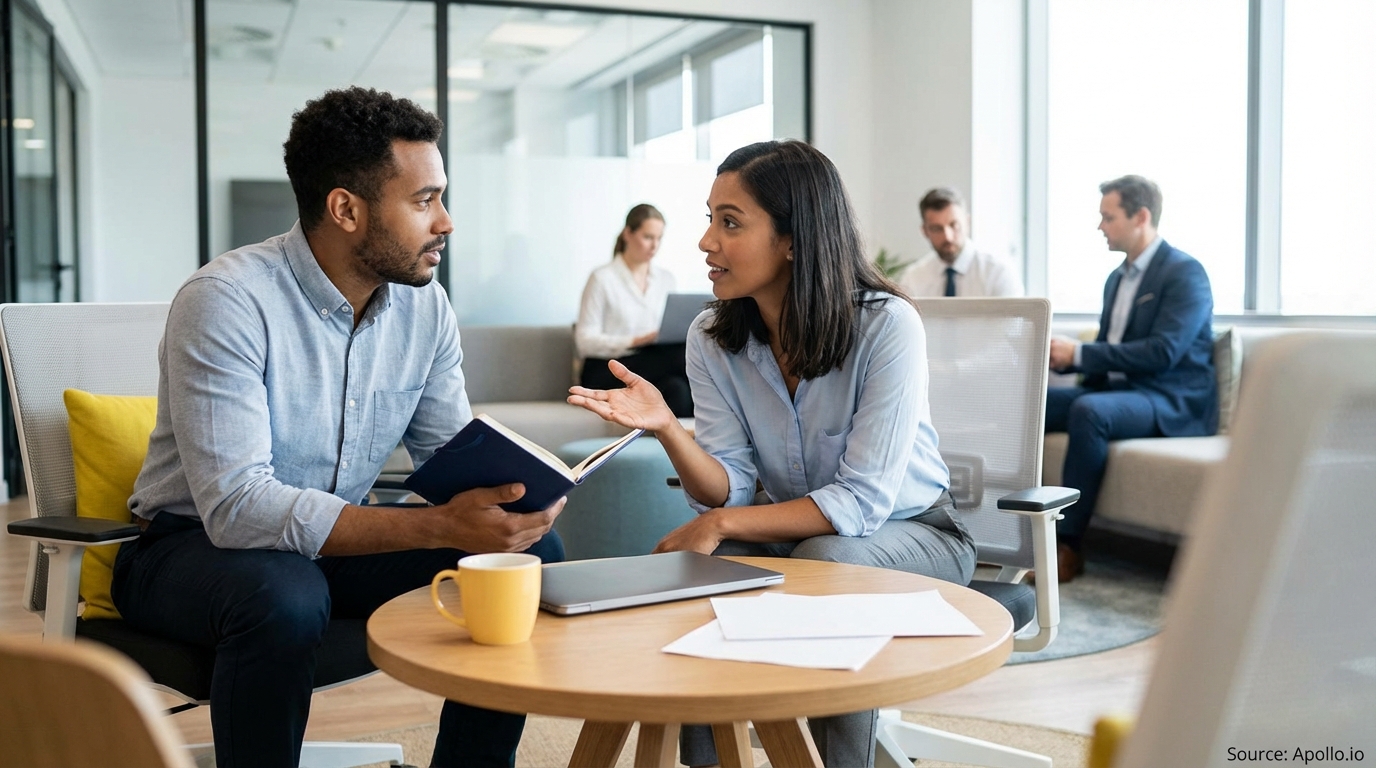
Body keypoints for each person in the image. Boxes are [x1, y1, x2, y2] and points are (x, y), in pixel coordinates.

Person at [111, 87, 566, 768]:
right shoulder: (228, 301)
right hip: (186, 551)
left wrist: (514, 498)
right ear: (345, 209)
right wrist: (440, 525)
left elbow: (448, 454)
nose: (445, 222)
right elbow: (237, 510)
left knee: (530, 557)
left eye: (442, 198)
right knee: (285, 594)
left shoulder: (425, 309)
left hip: (326, 548)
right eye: (424, 200)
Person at [568, 140, 976, 768]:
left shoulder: (887, 326)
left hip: (918, 532)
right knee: (704, 573)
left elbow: (861, 503)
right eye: (709, 218)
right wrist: (670, 432)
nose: (706, 242)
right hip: (796, 533)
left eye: (730, 222)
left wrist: (723, 521)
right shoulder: (712, 337)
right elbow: (727, 485)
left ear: (794, 239)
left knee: (827, 557)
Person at [1046, 175, 1215, 582]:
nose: (1100, 227)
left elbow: (1163, 352)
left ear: (1141, 216)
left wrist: (1081, 352)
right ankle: (1001, 529)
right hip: (1125, 392)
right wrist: (1065, 361)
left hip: (1171, 398)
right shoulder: (1116, 279)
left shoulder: (1185, 273)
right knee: (1038, 403)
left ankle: (1067, 545)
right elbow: (1111, 348)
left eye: (1108, 217)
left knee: (1089, 411)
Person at [575, 204, 693, 417]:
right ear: (628, 234)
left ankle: (686, 448)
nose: (654, 246)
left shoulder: (666, 279)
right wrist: (635, 341)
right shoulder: (602, 278)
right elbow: (584, 342)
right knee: (682, 355)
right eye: (648, 237)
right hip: (607, 367)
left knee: (679, 390)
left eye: (659, 238)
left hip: (651, 366)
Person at [898, 187, 1024, 298]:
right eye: (937, 229)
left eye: (954, 225)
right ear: (925, 231)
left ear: (967, 222)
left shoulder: (997, 273)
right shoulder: (913, 279)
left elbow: (1014, 324)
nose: (948, 237)